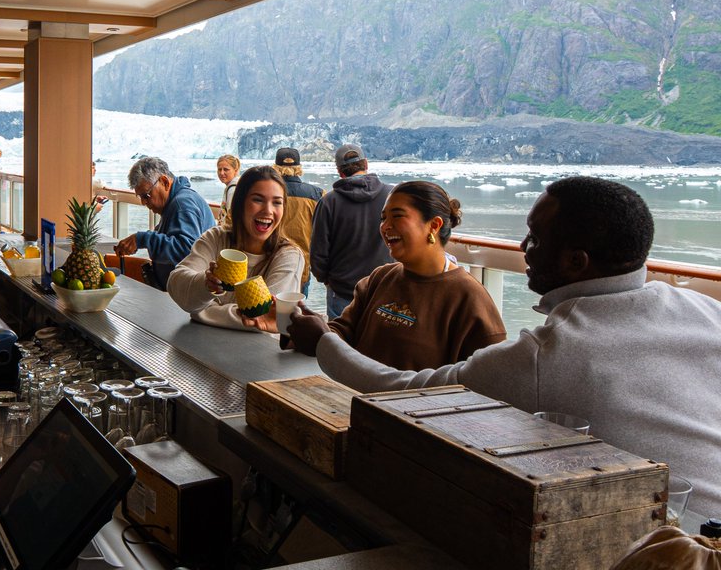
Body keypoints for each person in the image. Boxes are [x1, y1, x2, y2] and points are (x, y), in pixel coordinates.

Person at [289, 176, 721, 513]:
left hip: (660, 539)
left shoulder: (549, 352)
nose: (521, 247)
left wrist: (323, 343)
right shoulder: (706, 311)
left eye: (534, 238)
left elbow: (411, 393)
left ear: (576, 262)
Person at [292, 180, 504, 371]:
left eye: (397, 216)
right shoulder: (379, 279)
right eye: (383, 218)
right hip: (358, 406)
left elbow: (485, 379)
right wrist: (298, 325)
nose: (385, 226)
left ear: (434, 225)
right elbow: (344, 333)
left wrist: (323, 339)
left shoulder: (469, 298)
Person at [168, 166, 305, 332]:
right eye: (258, 200)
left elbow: (267, 318)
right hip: (202, 347)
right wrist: (207, 285)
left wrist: (201, 311)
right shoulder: (216, 238)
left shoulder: (289, 255)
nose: (268, 211)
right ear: (240, 204)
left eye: (277, 202)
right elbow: (176, 284)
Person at [310, 143, 394, 318]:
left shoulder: (328, 202)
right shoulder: (392, 196)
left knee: (338, 343)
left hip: (341, 291)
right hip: (384, 289)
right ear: (366, 164)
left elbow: (318, 251)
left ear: (340, 172)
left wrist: (326, 279)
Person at [115, 156, 215, 290]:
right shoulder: (176, 202)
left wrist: (143, 239)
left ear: (164, 182)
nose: (143, 202)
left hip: (187, 297)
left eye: (146, 195)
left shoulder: (182, 205)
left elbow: (187, 250)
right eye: (140, 197)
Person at [274, 148, 323, 293]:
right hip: (302, 264)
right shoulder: (317, 195)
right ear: (299, 168)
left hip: (271, 260)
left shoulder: (267, 192)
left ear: (276, 168)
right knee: (296, 309)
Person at [216, 154, 241, 225]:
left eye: (226, 169)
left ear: (235, 171)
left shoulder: (233, 190)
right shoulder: (237, 185)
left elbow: (232, 219)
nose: (221, 173)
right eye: (219, 169)